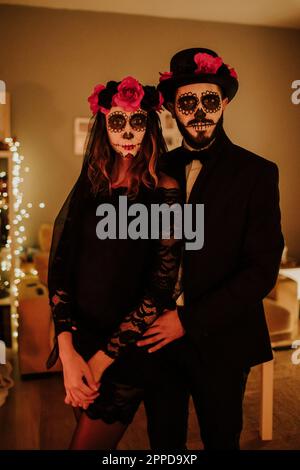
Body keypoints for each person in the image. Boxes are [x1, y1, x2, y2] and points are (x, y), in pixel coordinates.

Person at [136, 48, 285, 449]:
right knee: (163, 443)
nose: (200, 111)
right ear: (171, 109)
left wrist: (188, 319)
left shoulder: (257, 173)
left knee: (222, 439)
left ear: (225, 103)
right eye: (187, 102)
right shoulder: (154, 171)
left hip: (223, 339)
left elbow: (261, 269)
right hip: (156, 340)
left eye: (210, 100)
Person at [46, 76, 185, 449]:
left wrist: (98, 363)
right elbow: (61, 270)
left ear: (150, 128)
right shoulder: (92, 185)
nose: (126, 131)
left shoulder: (167, 192)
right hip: (81, 344)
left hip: (127, 350)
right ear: (103, 127)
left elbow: (159, 289)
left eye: (136, 122)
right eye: (117, 122)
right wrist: (68, 350)